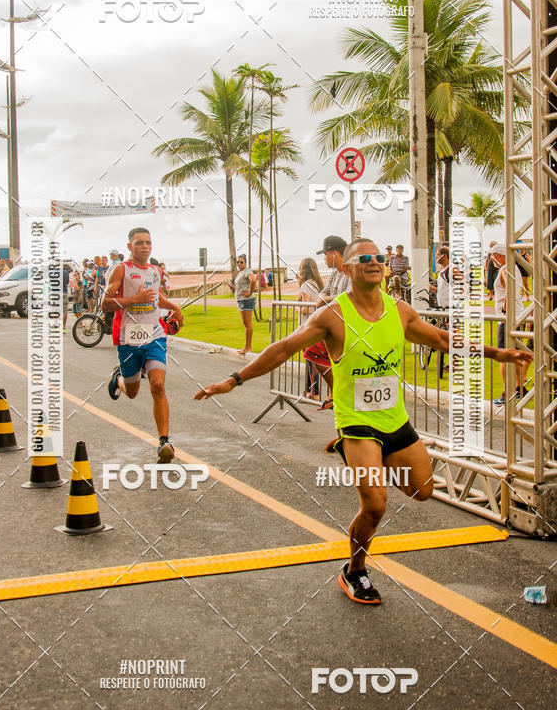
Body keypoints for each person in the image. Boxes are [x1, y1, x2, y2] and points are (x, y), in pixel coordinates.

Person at [194, 237, 532, 604]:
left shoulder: (399, 311)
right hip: (356, 421)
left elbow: (441, 339)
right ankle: (355, 570)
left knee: (423, 490)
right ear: (347, 268)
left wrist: (497, 353)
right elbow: (284, 348)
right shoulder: (332, 315)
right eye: (363, 258)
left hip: (394, 421)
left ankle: (365, 456)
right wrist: (234, 379)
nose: (374, 262)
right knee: (375, 504)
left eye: (378, 257)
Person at [102, 227, 183, 463]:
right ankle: (118, 379)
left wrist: (174, 308)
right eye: (139, 243)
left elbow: (157, 298)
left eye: (148, 242)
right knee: (133, 391)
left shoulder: (156, 271)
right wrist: (132, 300)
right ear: (129, 246)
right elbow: (104, 303)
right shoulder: (121, 270)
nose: (145, 246)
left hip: (155, 335)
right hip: (129, 338)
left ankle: (163, 441)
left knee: (158, 385)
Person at [304, 235, 350, 414]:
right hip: (334, 326)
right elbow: (325, 291)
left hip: (350, 326)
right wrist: (325, 298)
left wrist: (327, 299)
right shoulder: (335, 273)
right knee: (314, 352)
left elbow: (350, 295)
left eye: (325, 254)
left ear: (333, 253)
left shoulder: (351, 270)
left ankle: (338, 392)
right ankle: (336, 392)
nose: (324, 259)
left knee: (314, 350)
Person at [490, 243, 532, 404]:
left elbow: (509, 290)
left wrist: (505, 309)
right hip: (516, 316)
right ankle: (520, 388)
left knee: (504, 356)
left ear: (500, 256)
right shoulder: (513, 267)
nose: (492, 259)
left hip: (508, 318)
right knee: (515, 355)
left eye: (494, 256)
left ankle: (507, 392)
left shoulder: (506, 269)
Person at [297, 258, 324, 399]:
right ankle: (309, 390)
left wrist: (297, 308)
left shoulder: (306, 286)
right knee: (312, 358)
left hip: (307, 325)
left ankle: (315, 392)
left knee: (310, 360)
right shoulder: (318, 284)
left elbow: (305, 308)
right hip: (317, 324)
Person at [229, 254, 257, 355]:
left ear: (245, 263)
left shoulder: (247, 271)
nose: (239, 264)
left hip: (247, 300)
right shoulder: (240, 273)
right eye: (238, 262)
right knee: (245, 323)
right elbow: (241, 287)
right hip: (241, 300)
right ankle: (247, 346)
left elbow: (253, 280)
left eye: (241, 262)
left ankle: (248, 347)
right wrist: (234, 289)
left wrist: (250, 292)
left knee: (247, 323)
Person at [62, 265, 70, 333]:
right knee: (64, 310)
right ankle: (63, 327)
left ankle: (56, 327)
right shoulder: (65, 272)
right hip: (64, 292)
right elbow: (67, 282)